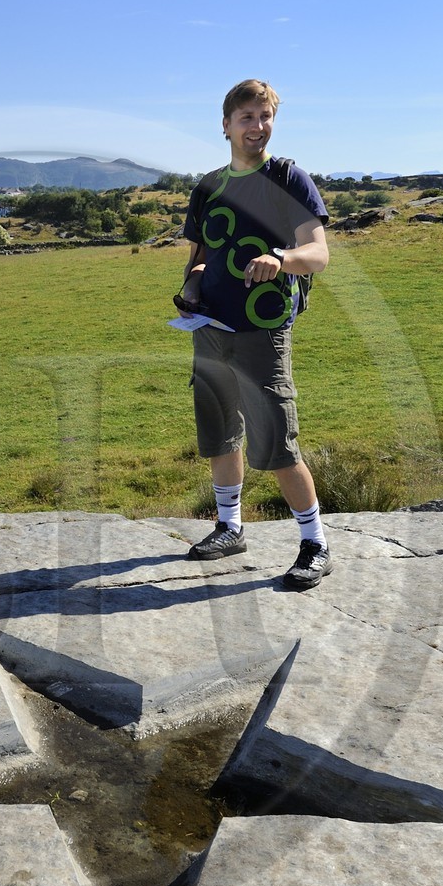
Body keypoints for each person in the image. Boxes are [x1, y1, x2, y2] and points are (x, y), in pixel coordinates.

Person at [176, 78, 334, 591]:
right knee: (220, 431)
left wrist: (281, 258)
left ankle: (315, 544)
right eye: (247, 117)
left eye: (265, 117)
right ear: (226, 125)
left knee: (278, 443)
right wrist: (191, 289)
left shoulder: (289, 179)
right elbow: (199, 258)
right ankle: (230, 527)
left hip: (263, 330)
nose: (258, 126)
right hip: (210, 327)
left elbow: (318, 253)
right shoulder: (208, 188)